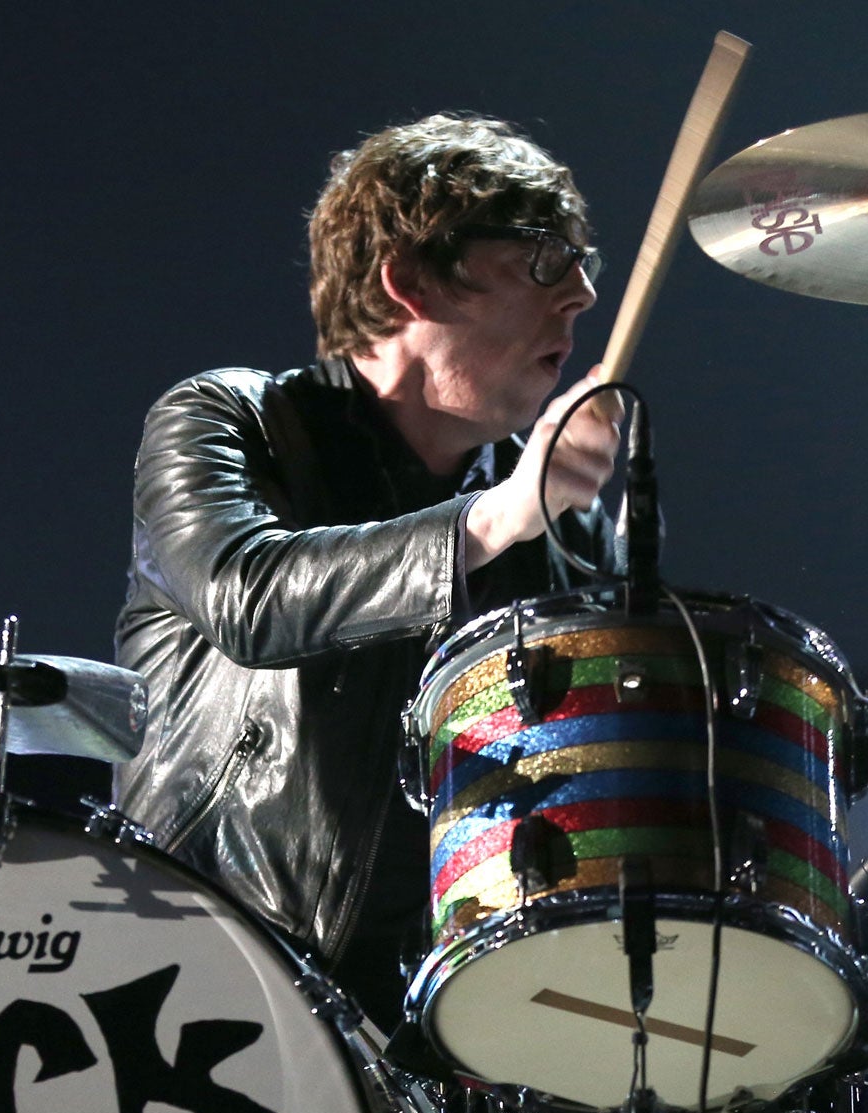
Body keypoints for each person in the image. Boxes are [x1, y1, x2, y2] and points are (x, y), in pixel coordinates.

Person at [113, 112, 621, 1048]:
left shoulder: (565, 520)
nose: (584, 293)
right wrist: (495, 519)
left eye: (584, 260)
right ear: (412, 279)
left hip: (446, 1022)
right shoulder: (230, 419)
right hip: (201, 985)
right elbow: (247, 597)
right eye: (547, 258)